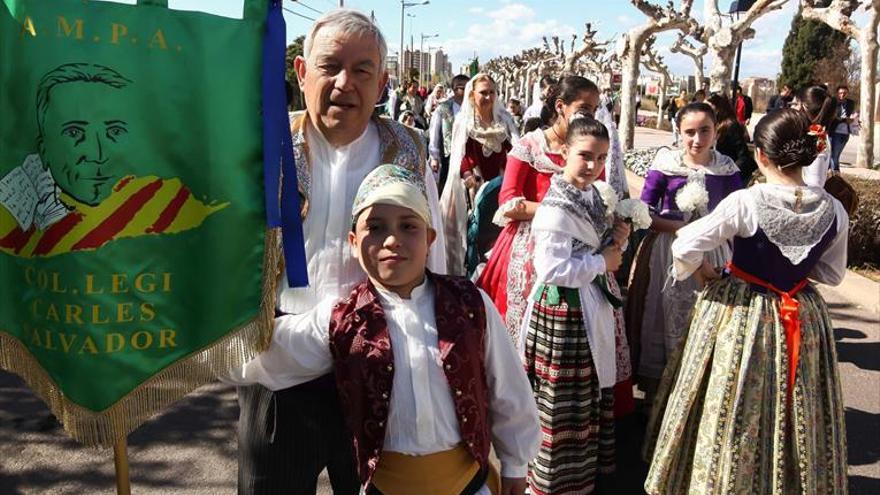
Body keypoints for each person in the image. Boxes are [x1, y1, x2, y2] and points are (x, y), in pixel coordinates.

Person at [229, 164, 541, 495]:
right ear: (353, 241)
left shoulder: (470, 304)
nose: (392, 240)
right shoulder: (343, 319)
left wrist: (516, 464)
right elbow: (268, 354)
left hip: (468, 484)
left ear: (429, 237)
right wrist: (202, 344)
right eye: (375, 228)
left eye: (408, 226)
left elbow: (507, 388)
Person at [237, 10, 447, 495]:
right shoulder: (263, 147)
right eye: (330, 66)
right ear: (301, 72)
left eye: (362, 70)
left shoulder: (410, 152)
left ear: (383, 82)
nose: (344, 83)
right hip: (275, 367)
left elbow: (433, 260)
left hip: (379, 373)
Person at [645, 109, 849, 495]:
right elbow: (832, 275)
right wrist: (797, 261)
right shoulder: (833, 209)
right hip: (801, 313)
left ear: (761, 155)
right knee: (797, 404)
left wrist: (703, 271)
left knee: (736, 402)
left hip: (744, 312)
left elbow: (686, 243)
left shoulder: (747, 202)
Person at [0, 63, 225, 258]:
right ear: (43, 151)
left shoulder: (177, 205)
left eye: (114, 132)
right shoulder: (23, 218)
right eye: (75, 133)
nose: (97, 154)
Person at [522, 116, 630, 495]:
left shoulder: (590, 194)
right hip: (564, 314)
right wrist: (603, 262)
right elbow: (551, 269)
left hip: (588, 304)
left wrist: (615, 239)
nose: (593, 165)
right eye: (585, 155)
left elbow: (597, 247)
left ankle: (579, 474)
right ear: (564, 152)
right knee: (560, 401)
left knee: (583, 397)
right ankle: (553, 480)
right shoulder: (555, 208)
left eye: (601, 158)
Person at [628, 103, 742, 409]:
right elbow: (643, 212)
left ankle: (698, 399)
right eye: (689, 132)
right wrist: (679, 228)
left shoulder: (726, 168)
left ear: (716, 130)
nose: (697, 139)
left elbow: (738, 213)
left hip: (714, 251)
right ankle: (655, 402)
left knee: (707, 318)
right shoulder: (666, 164)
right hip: (666, 251)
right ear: (678, 132)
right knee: (662, 319)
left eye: (704, 130)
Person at [477, 76, 600, 343]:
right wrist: (561, 210)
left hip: (579, 248)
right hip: (529, 244)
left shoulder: (590, 147)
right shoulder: (530, 145)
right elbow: (509, 202)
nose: (591, 115)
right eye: (585, 107)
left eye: (595, 109)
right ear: (560, 106)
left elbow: (598, 196)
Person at [439, 73, 519, 276]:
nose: (488, 97)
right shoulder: (463, 122)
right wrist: (468, 175)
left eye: (492, 92)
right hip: (473, 190)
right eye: (483, 93)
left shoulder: (504, 120)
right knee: (475, 234)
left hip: (502, 187)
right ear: (472, 95)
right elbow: (460, 155)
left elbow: (515, 150)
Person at [429, 74, 469, 195]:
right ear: (455, 89)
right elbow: (434, 132)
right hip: (449, 155)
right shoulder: (443, 108)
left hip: (469, 156)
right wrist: (434, 157)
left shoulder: (473, 108)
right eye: (462, 87)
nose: (466, 91)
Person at [707, 93, 757, 184]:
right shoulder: (713, 123)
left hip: (730, 175)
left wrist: (731, 175)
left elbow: (743, 155)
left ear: (719, 107)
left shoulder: (730, 125)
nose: (707, 110)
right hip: (717, 173)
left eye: (710, 106)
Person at [798, 85, 836, 187]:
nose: (795, 108)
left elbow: (815, 183)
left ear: (804, 108)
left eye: (798, 103)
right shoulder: (813, 134)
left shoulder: (817, 138)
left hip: (807, 198)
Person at [830, 84, 857, 173]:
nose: (842, 95)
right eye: (840, 93)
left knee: (835, 155)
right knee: (832, 155)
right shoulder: (833, 103)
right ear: (837, 93)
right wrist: (844, 120)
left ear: (847, 93)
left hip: (845, 132)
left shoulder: (850, 103)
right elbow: (832, 118)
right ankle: (834, 175)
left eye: (844, 93)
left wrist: (855, 119)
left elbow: (853, 114)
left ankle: (833, 175)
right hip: (833, 131)